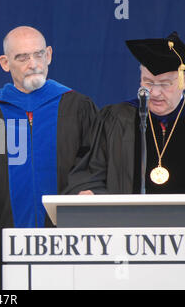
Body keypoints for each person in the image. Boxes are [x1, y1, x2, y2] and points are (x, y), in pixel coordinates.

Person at [0, 26, 98, 289]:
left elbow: (93, 166)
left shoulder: (77, 106)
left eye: (39, 54)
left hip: (67, 239)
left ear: (49, 55)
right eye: (22, 57)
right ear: (5, 63)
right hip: (4, 237)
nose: (33, 64)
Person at [64, 31, 185, 195]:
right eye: (148, 82)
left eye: (165, 84)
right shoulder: (116, 119)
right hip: (126, 219)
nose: (155, 92)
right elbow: (90, 173)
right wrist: (91, 192)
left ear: (182, 83)